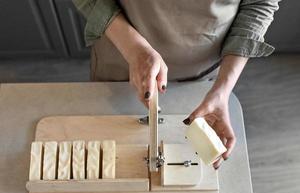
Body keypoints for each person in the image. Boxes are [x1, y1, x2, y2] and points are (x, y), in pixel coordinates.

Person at [73, 0, 280, 169]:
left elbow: (260, 4)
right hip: (122, 61)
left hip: (202, 74)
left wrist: (222, 90)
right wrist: (134, 48)